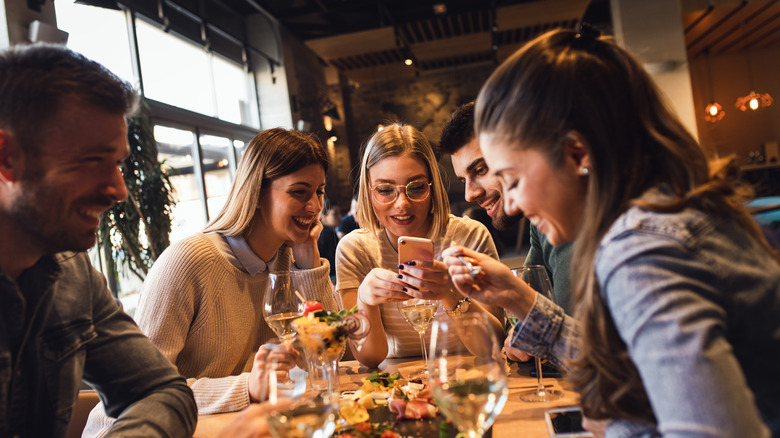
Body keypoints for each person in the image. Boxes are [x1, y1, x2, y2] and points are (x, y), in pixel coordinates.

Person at [444, 27, 780, 437]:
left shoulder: (642, 249)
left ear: (577, 154)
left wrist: (617, 425)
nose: (510, 204)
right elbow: (641, 372)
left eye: (511, 179)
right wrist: (516, 296)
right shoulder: (668, 210)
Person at [84, 128, 338, 435]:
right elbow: (140, 395)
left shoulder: (290, 257)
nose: (314, 206)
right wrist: (247, 386)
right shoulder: (188, 261)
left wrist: (310, 263)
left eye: (320, 191)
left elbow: (333, 357)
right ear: (257, 192)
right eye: (300, 192)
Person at [0, 44, 196, 437]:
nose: (119, 190)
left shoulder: (74, 275)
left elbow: (161, 389)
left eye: (119, 163)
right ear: (7, 159)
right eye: (92, 160)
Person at [335, 122, 505, 368]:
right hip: (398, 388)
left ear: (432, 186)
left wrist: (449, 292)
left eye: (416, 188)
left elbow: (492, 345)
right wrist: (365, 299)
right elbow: (370, 357)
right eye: (385, 190)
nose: (402, 204)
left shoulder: (469, 237)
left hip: (467, 378)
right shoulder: (354, 250)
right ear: (368, 191)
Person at [440, 101, 574, 313]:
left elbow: (590, 343)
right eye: (463, 181)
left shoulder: (615, 227)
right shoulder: (539, 224)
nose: (469, 195)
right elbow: (529, 317)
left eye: (481, 169)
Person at [318, 199, 340, 280]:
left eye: (339, 213)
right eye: (335, 214)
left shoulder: (329, 231)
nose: (339, 216)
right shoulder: (326, 233)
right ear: (323, 217)